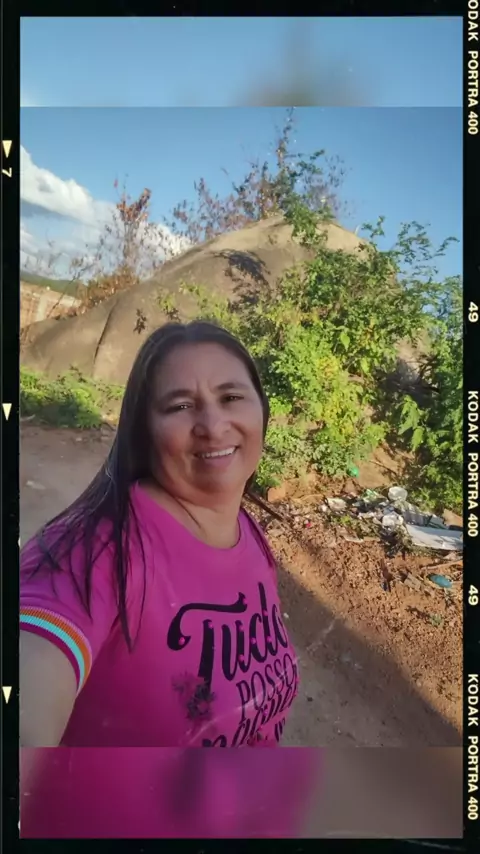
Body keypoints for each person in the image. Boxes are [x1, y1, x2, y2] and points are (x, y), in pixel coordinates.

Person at [20, 321, 314, 837]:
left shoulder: (248, 534)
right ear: (145, 429)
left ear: (261, 410)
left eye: (231, 397)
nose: (213, 425)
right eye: (180, 406)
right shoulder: (95, 551)